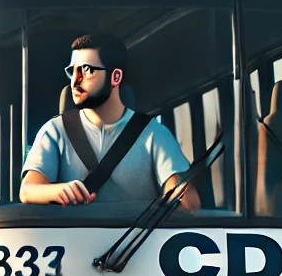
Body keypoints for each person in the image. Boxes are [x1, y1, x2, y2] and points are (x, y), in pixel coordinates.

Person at [18, 33, 199, 209]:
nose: (75, 81)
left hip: (138, 239)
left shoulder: (153, 134)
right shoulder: (55, 131)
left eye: (87, 70)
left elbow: (189, 202)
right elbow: (27, 191)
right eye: (72, 71)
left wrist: (177, 190)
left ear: (116, 77)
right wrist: (58, 190)